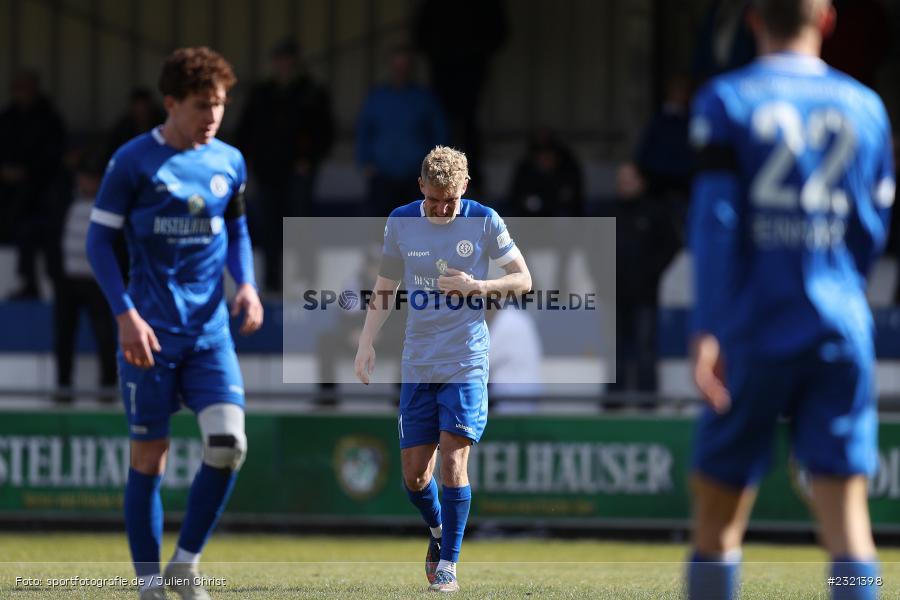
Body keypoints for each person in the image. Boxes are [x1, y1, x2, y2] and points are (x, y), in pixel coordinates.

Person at [686, 1, 893, 599]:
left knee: (720, 523)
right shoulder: (867, 107)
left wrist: (709, 328)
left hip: (753, 326)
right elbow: (870, 230)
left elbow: (716, 223)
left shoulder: (726, 100)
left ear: (753, 21)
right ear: (828, 20)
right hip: (839, 326)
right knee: (848, 524)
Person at [86, 47, 263, 600]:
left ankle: (184, 568)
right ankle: (147, 585)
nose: (212, 117)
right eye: (201, 106)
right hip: (151, 333)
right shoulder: (133, 162)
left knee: (229, 444)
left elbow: (235, 231)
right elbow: (98, 242)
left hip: (210, 334)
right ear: (170, 104)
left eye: (220, 106)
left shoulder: (229, 161)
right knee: (150, 458)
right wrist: (125, 315)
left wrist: (248, 284)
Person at [354, 146, 531, 592]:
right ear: (421, 188)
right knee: (415, 476)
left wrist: (480, 286)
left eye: (449, 200)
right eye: (434, 200)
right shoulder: (400, 221)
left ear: (464, 188)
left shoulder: (485, 220)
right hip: (418, 363)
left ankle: (449, 563)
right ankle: (437, 532)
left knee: (454, 461)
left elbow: (524, 279)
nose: (441, 209)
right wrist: (366, 341)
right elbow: (386, 284)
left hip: (466, 361)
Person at [236, 38, 334, 292]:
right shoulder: (262, 93)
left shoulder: (311, 92)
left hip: (298, 171)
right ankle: (272, 280)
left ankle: (305, 279)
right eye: (278, 60)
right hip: (267, 169)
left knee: (301, 225)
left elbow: (325, 132)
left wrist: (309, 160)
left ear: (296, 62)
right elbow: (246, 130)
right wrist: (246, 160)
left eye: (288, 59)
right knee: (269, 225)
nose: (283, 65)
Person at [54, 147, 119, 403]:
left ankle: (107, 389)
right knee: (63, 336)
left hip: (97, 282)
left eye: (93, 177)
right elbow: (51, 238)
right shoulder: (63, 200)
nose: (88, 182)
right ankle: (62, 389)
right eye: (85, 176)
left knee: (105, 335)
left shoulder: (110, 203)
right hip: (68, 280)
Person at [356, 45, 447, 217]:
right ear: (390, 66)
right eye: (397, 66)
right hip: (381, 173)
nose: (400, 71)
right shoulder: (377, 98)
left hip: (416, 174)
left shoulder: (425, 98)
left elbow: (439, 132)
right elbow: (364, 130)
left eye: (404, 66)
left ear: (411, 68)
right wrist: (365, 160)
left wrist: (437, 166)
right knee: (382, 225)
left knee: (416, 224)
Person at [0, 69, 67, 299]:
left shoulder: (49, 118)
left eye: (26, 88)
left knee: (32, 229)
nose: (22, 93)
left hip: (41, 194)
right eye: (18, 88)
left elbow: (54, 157)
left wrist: (27, 173)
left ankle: (42, 285)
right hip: (8, 191)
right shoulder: (7, 118)